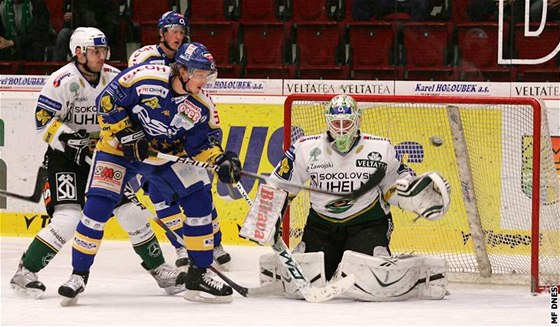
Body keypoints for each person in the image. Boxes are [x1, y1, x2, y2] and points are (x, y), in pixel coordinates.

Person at [57, 41, 241, 304]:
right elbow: (107, 101)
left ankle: (198, 274)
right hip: (118, 150)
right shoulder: (145, 77)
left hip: (165, 156)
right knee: (97, 208)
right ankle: (78, 275)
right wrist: (125, 132)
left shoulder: (202, 106)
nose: (205, 81)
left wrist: (221, 159)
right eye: (201, 75)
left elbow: (203, 144)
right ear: (184, 72)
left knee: (200, 200)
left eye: (207, 75)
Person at [10, 27, 186, 300]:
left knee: (132, 213)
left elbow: (131, 112)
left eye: (103, 50)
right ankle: (26, 270)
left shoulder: (115, 78)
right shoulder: (61, 81)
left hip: (105, 156)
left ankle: (161, 270)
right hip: (65, 160)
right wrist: (69, 140)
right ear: (78, 52)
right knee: (69, 219)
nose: (101, 56)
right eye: (95, 51)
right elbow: (43, 121)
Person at [260, 94, 451, 301]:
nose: (341, 128)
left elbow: (395, 187)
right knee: (301, 284)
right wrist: (267, 217)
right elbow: (280, 185)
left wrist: (412, 196)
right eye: (336, 122)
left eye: (347, 122)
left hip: (367, 224)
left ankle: (418, 272)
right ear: (327, 121)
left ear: (357, 120)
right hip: (321, 226)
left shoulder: (380, 148)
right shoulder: (305, 148)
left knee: (372, 283)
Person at [127, 11, 232, 270]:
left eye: (181, 31)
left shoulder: (191, 58)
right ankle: (179, 244)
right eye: (173, 30)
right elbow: (133, 93)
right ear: (161, 32)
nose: (178, 35)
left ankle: (213, 242)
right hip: (151, 140)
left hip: (181, 132)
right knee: (159, 194)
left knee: (199, 189)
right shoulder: (145, 57)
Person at [51, 0, 119, 61]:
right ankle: (56, 69)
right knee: (63, 33)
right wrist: (71, 18)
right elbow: (73, 21)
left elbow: (110, 26)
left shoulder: (107, 3)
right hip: (79, 32)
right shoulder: (77, 2)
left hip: (98, 33)